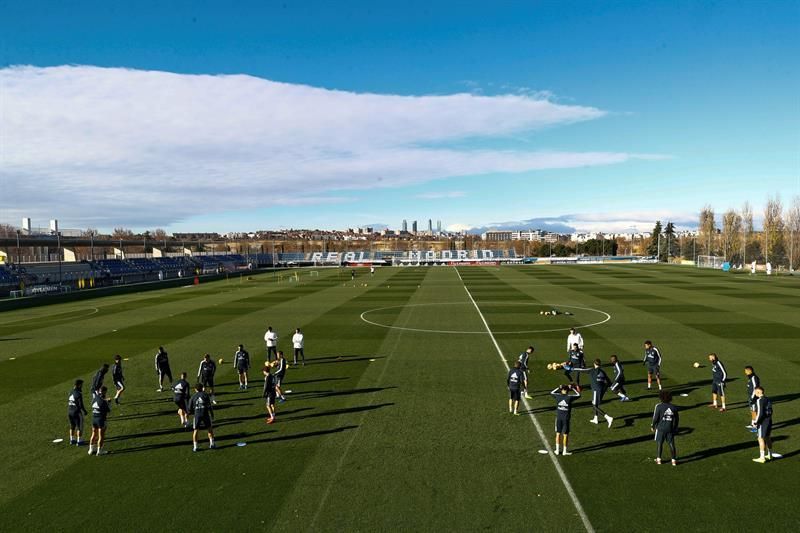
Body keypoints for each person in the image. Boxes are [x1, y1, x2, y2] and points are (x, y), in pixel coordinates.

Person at [575, 359, 614, 427]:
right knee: (595, 404)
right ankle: (596, 419)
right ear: (600, 364)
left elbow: (581, 370)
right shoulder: (602, 372)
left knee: (594, 405)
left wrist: (571, 368)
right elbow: (609, 382)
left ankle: (608, 417)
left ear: (594, 364)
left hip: (596, 390)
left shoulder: (592, 370)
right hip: (602, 390)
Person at [550, 383, 580, 456]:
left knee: (558, 433)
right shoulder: (569, 397)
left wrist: (558, 387)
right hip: (566, 419)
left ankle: (557, 450)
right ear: (567, 390)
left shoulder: (558, 396)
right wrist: (572, 388)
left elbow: (551, 392)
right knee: (565, 435)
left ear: (562, 390)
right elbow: (578, 395)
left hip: (559, 418)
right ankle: (564, 451)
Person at [651, 390, 679, 465]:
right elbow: (676, 419)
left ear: (661, 398)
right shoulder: (674, 407)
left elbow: (655, 418)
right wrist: (675, 428)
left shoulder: (659, 406)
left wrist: (653, 426)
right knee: (671, 444)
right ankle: (673, 460)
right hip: (670, 428)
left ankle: (659, 459)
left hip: (660, 428)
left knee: (660, 443)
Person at [188, 383, 215, 451]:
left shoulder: (193, 397)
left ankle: (195, 446)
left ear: (195, 389)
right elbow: (209, 406)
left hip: (197, 415)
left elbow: (189, 409)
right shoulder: (205, 395)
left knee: (196, 430)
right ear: (202, 388)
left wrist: (194, 411)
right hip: (205, 414)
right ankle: (212, 444)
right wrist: (212, 414)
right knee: (209, 429)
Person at [751, 386, 774, 463]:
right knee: (768, 437)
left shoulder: (759, 400)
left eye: (755, 392)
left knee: (760, 438)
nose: (754, 393)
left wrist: (755, 422)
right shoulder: (767, 399)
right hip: (769, 420)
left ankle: (762, 457)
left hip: (762, 422)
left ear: (758, 392)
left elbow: (760, 413)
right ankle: (770, 455)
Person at [88, 386, 111, 456]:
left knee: (93, 434)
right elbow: (108, 410)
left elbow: (98, 402)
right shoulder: (103, 402)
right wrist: (108, 403)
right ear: (104, 392)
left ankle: (91, 450)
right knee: (101, 436)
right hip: (101, 420)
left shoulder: (95, 398)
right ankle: (99, 451)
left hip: (94, 419)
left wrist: (105, 400)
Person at [67, 379, 88, 446]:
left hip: (70, 411)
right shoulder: (78, 393)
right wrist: (84, 411)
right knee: (79, 427)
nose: (82, 386)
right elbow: (81, 404)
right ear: (79, 385)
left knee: (72, 426)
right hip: (76, 412)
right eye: (81, 385)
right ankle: (79, 441)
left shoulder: (70, 392)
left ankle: (72, 440)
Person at [745, 366, 761, 432]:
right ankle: (752, 424)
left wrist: (753, 397)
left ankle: (755, 427)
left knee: (754, 411)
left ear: (749, 371)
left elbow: (755, 388)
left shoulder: (754, 377)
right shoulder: (751, 377)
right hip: (751, 397)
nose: (745, 372)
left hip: (754, 398)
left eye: (746, 371)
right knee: (752, 411)